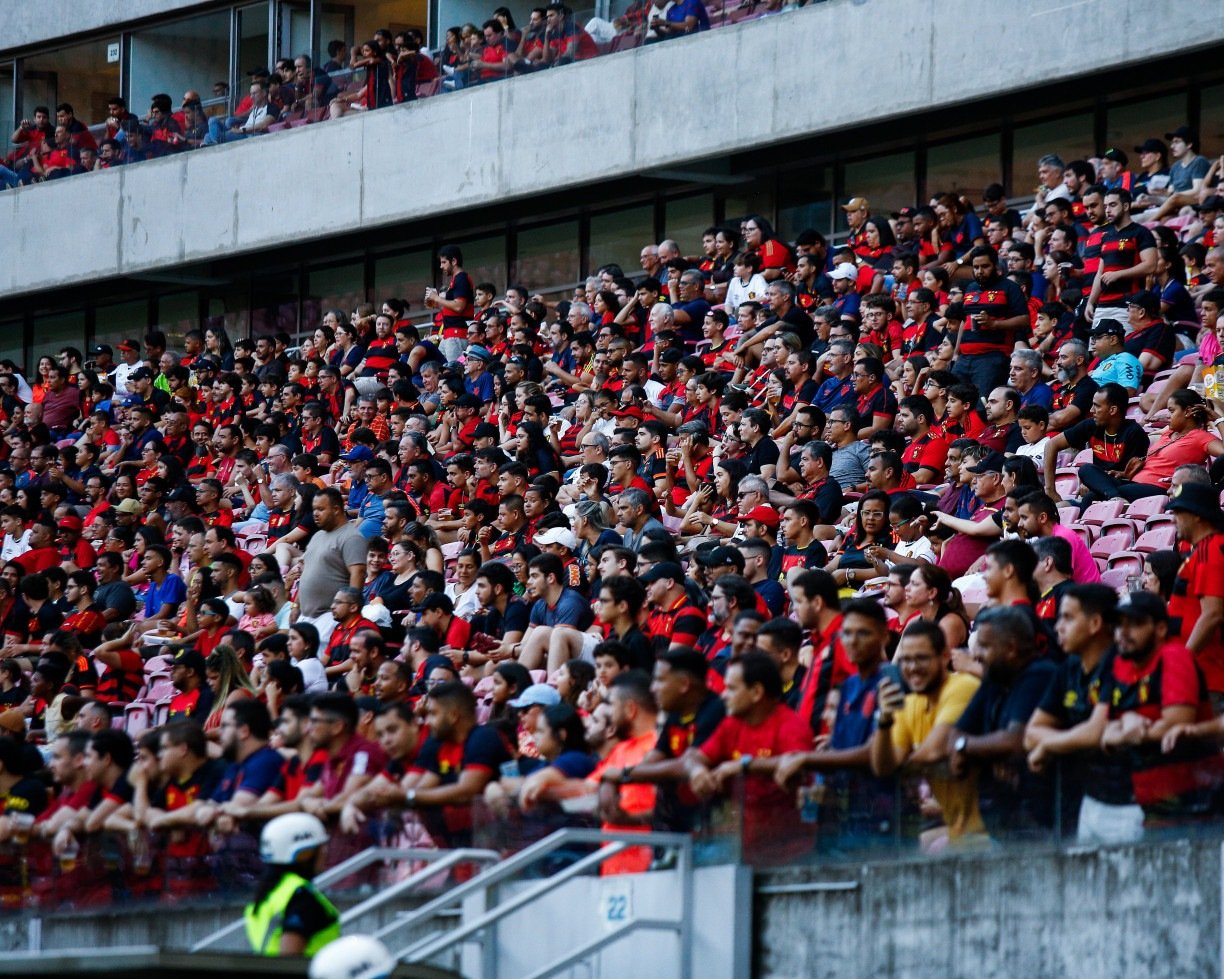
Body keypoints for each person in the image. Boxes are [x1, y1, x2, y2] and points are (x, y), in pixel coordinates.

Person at [245, 812, 339, 957]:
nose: (325, 852)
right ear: (304, 853)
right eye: (320, 847)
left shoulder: (270, 893)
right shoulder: (300, 897)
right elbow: (289, 959)